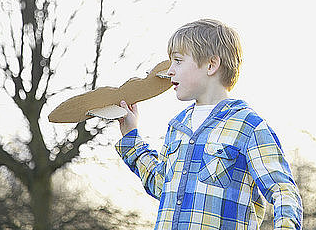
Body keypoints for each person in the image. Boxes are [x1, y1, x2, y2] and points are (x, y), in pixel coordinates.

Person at [115, 19, 303, 230]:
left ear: (211, 65)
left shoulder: (248, 126)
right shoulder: (177, 126)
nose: (169, 71)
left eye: (178, 61)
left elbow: (283, 191)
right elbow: (161, 185)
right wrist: (131, 136)